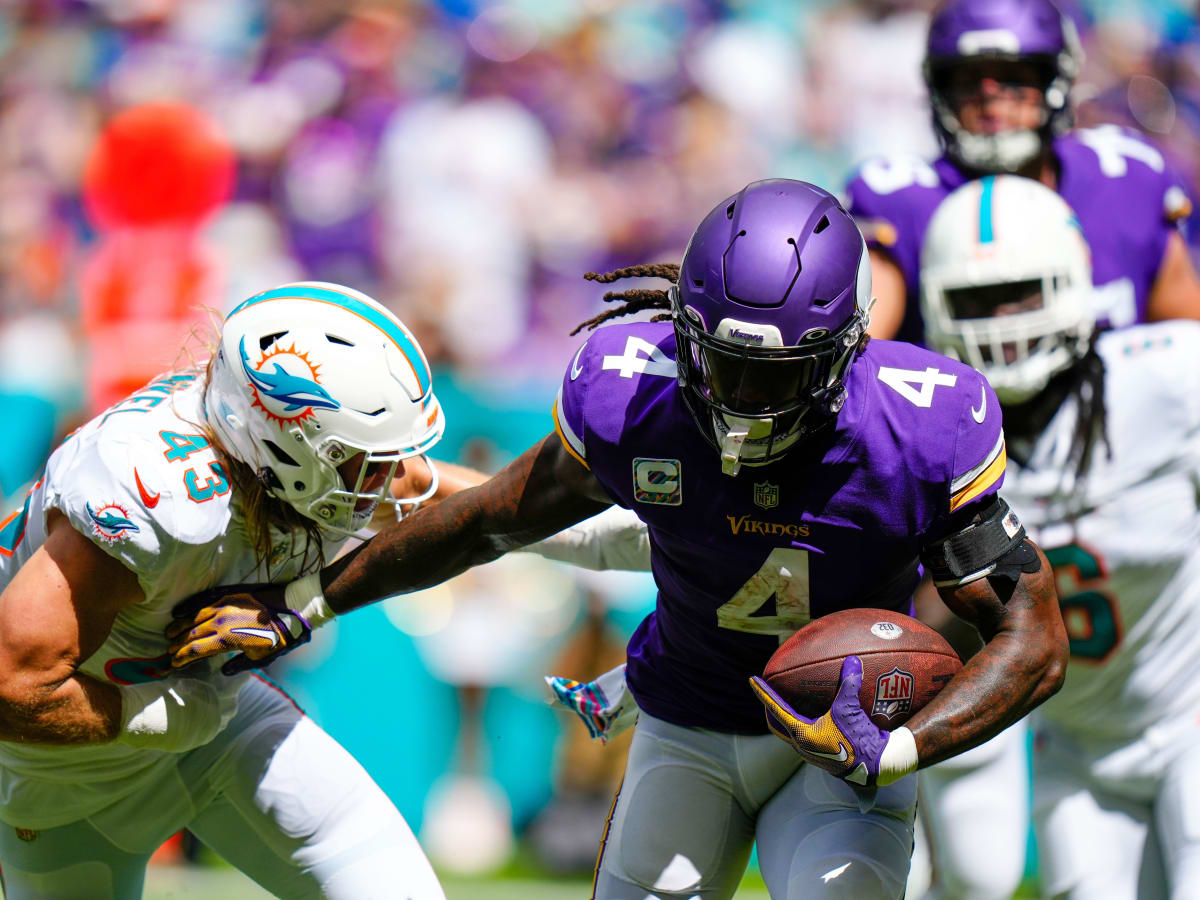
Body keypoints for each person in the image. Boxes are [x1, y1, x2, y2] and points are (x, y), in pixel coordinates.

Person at [170, 181, 1067, 900]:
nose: (742, 396)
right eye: (722, 360)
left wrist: (894, 746)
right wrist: (307, 602)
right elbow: (494, 519)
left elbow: (1035, 638)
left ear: (846, 350)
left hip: (841, 742)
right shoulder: (632, 389)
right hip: (688, 721)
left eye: (773, 373)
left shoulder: (923, 424)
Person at [0, 280, 646, 900]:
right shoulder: (149, 492)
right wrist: (166, 715)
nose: (387, 479)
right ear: (280, 442)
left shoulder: (271, 443)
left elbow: (456, 502)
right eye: (360, 461)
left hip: (225, 725)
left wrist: (604, 537)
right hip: (64, 780)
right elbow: (11, 685)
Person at [919, 174, 1200, 898]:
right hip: (1077, 747)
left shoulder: (1169, 380)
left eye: (1020, 293)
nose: (1002, 323)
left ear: (1074, 284)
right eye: (977, 301)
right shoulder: (936, 434)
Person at [844, 0, 1200, 345]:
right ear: (939, 90)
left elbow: (1186, 353)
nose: (993, 103)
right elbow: (862, 358)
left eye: (1015, 78)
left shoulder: (1126, 178)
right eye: (968, 82)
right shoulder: (903, 201)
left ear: (1056, 82)